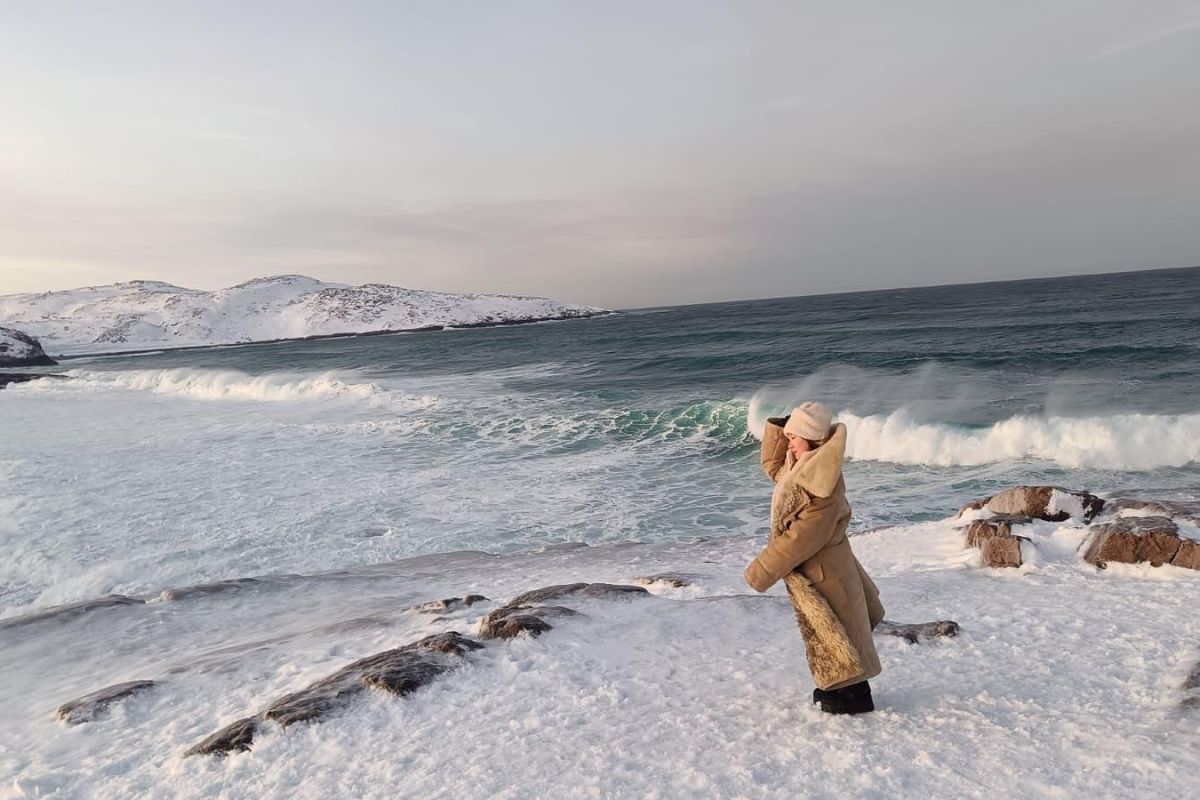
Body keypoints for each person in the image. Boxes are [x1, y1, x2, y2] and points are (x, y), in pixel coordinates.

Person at [743, 401, 885, 715]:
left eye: (795, 435)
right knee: (829, 631)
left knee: (840, 630)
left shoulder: (823, 484)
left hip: (826, 569)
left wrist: (763, 569)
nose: (789, 442)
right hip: (812, 568)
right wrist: (781, 428)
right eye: (789, 435)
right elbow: (772, 464)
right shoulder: (798, 463)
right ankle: (839, 690)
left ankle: (853, 698)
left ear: (812, 439)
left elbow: (804, 537)